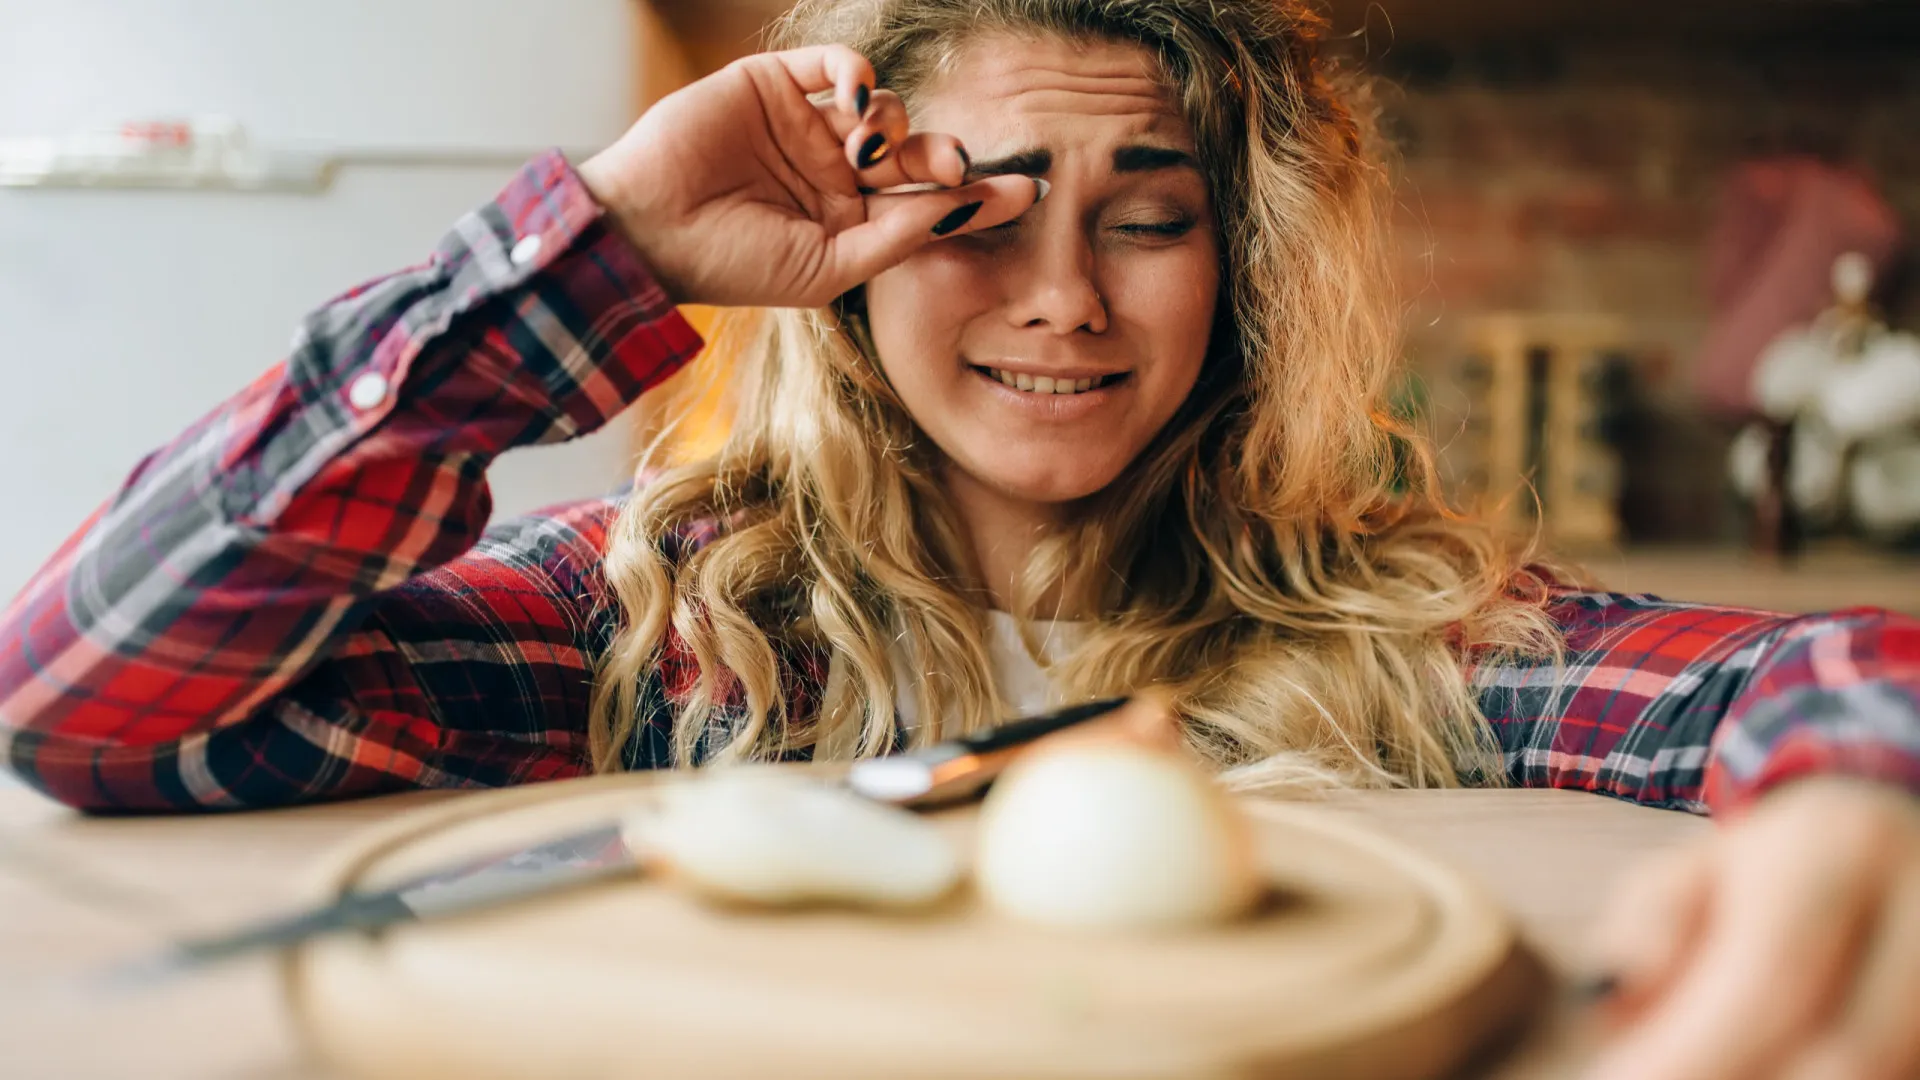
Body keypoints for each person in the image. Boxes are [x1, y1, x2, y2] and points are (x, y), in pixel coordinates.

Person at [1, 0, 1916, 1075]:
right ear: (850, 259)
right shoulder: (661, 619)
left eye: (1145, 217)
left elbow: (1789, 670)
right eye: (984, 211)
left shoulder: (1383, 628)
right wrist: (586, 251)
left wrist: (1856, 793)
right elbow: (95, 701)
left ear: (1234, 268)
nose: (1064, 297)